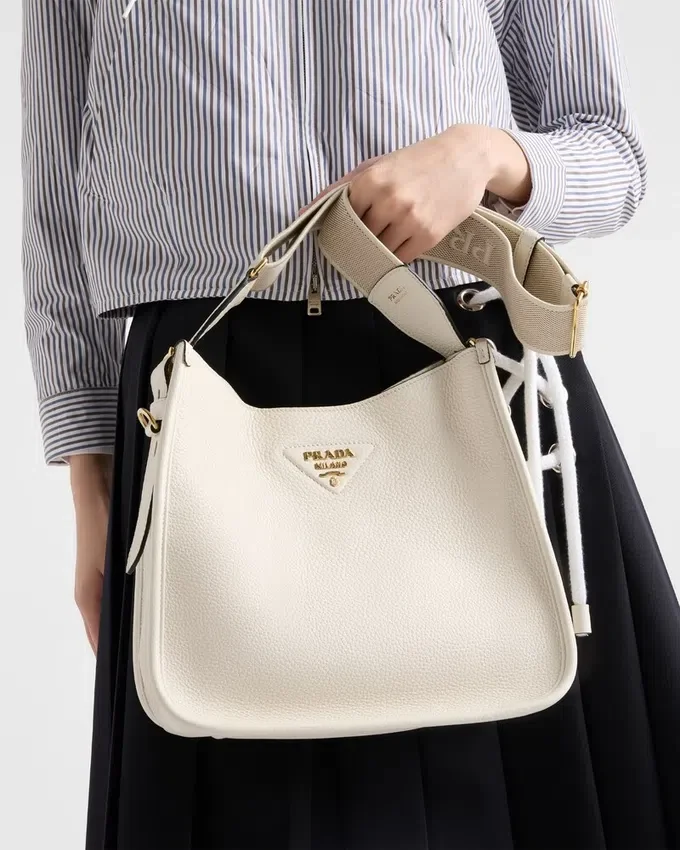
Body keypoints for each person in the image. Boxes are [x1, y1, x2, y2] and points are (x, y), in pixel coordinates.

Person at [20, 1, 680, 848]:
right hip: (201, 407)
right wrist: (91, 475)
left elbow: (613, 155)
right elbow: (55, 206)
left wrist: (483, 155)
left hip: (471, 386)